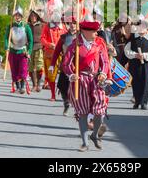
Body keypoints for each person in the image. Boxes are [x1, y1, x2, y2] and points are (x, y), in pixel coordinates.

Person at [62, 17, 111, 152]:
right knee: (82, 113)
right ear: (85, 31)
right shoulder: (75, 45)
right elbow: (65, 64)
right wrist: (71, 74)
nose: (96, 33)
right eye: (94, 30)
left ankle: (95, 135)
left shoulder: (99, 44)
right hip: (80, 81)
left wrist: (104, 74)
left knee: (100, 111)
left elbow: (105, 62)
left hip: (96, 81)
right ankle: (84, 143)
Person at [124, 16, 148, 110]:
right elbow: (127, 50)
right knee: (135, 82)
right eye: (139, 27)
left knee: (145, 83)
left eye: (143, 27)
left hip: (145, 64)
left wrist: (145, 56)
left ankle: (144, 102)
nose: (141, 29)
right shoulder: (133, 38)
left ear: (147, 28)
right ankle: (137, 102)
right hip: (134, 64)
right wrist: (135, 55)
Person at [51, 15, 78, 116]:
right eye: (70, 23)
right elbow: (57, 51)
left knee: (78, 88)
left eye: (74, 23)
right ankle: (66, 103)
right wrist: (52, 64)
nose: (72, 25)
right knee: (63, 86)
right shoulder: (63, 37)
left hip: (78, 66)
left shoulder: (81, 37)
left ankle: (79, 108)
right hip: (65, 65)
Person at [5, 7, 33, 94]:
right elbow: (6, 38)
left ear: (21, 17)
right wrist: (7, 47)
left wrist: (29, 51)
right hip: (13, 51)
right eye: (16, 15)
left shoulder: (26, 27)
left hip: (23, 51)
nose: (17, 17)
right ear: (14, 16)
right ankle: (17, 87)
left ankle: (22, 87)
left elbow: (31, 40)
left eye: (19, 15)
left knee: (23, 70)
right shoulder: (10, 26)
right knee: (14, 70)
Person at [41, 15, 67, 101]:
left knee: (65, 75)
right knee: (51, 75)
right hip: (50, 54)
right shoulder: (47, 26)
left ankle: (64, 93)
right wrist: (49, 44)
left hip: (62, 55)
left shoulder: (63, 27)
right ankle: (53, 95)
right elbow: (42, 39)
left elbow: (68, 39)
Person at [28, 9, 45, 92]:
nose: (33, 17)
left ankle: (38, 84)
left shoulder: (42, 25)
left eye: (34, 16)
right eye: (31, 16)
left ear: (37, 17)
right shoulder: (27, 26)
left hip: (39, 46)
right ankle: (34, 85)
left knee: (38, 66)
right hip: (30, 47)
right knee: (31, 67)